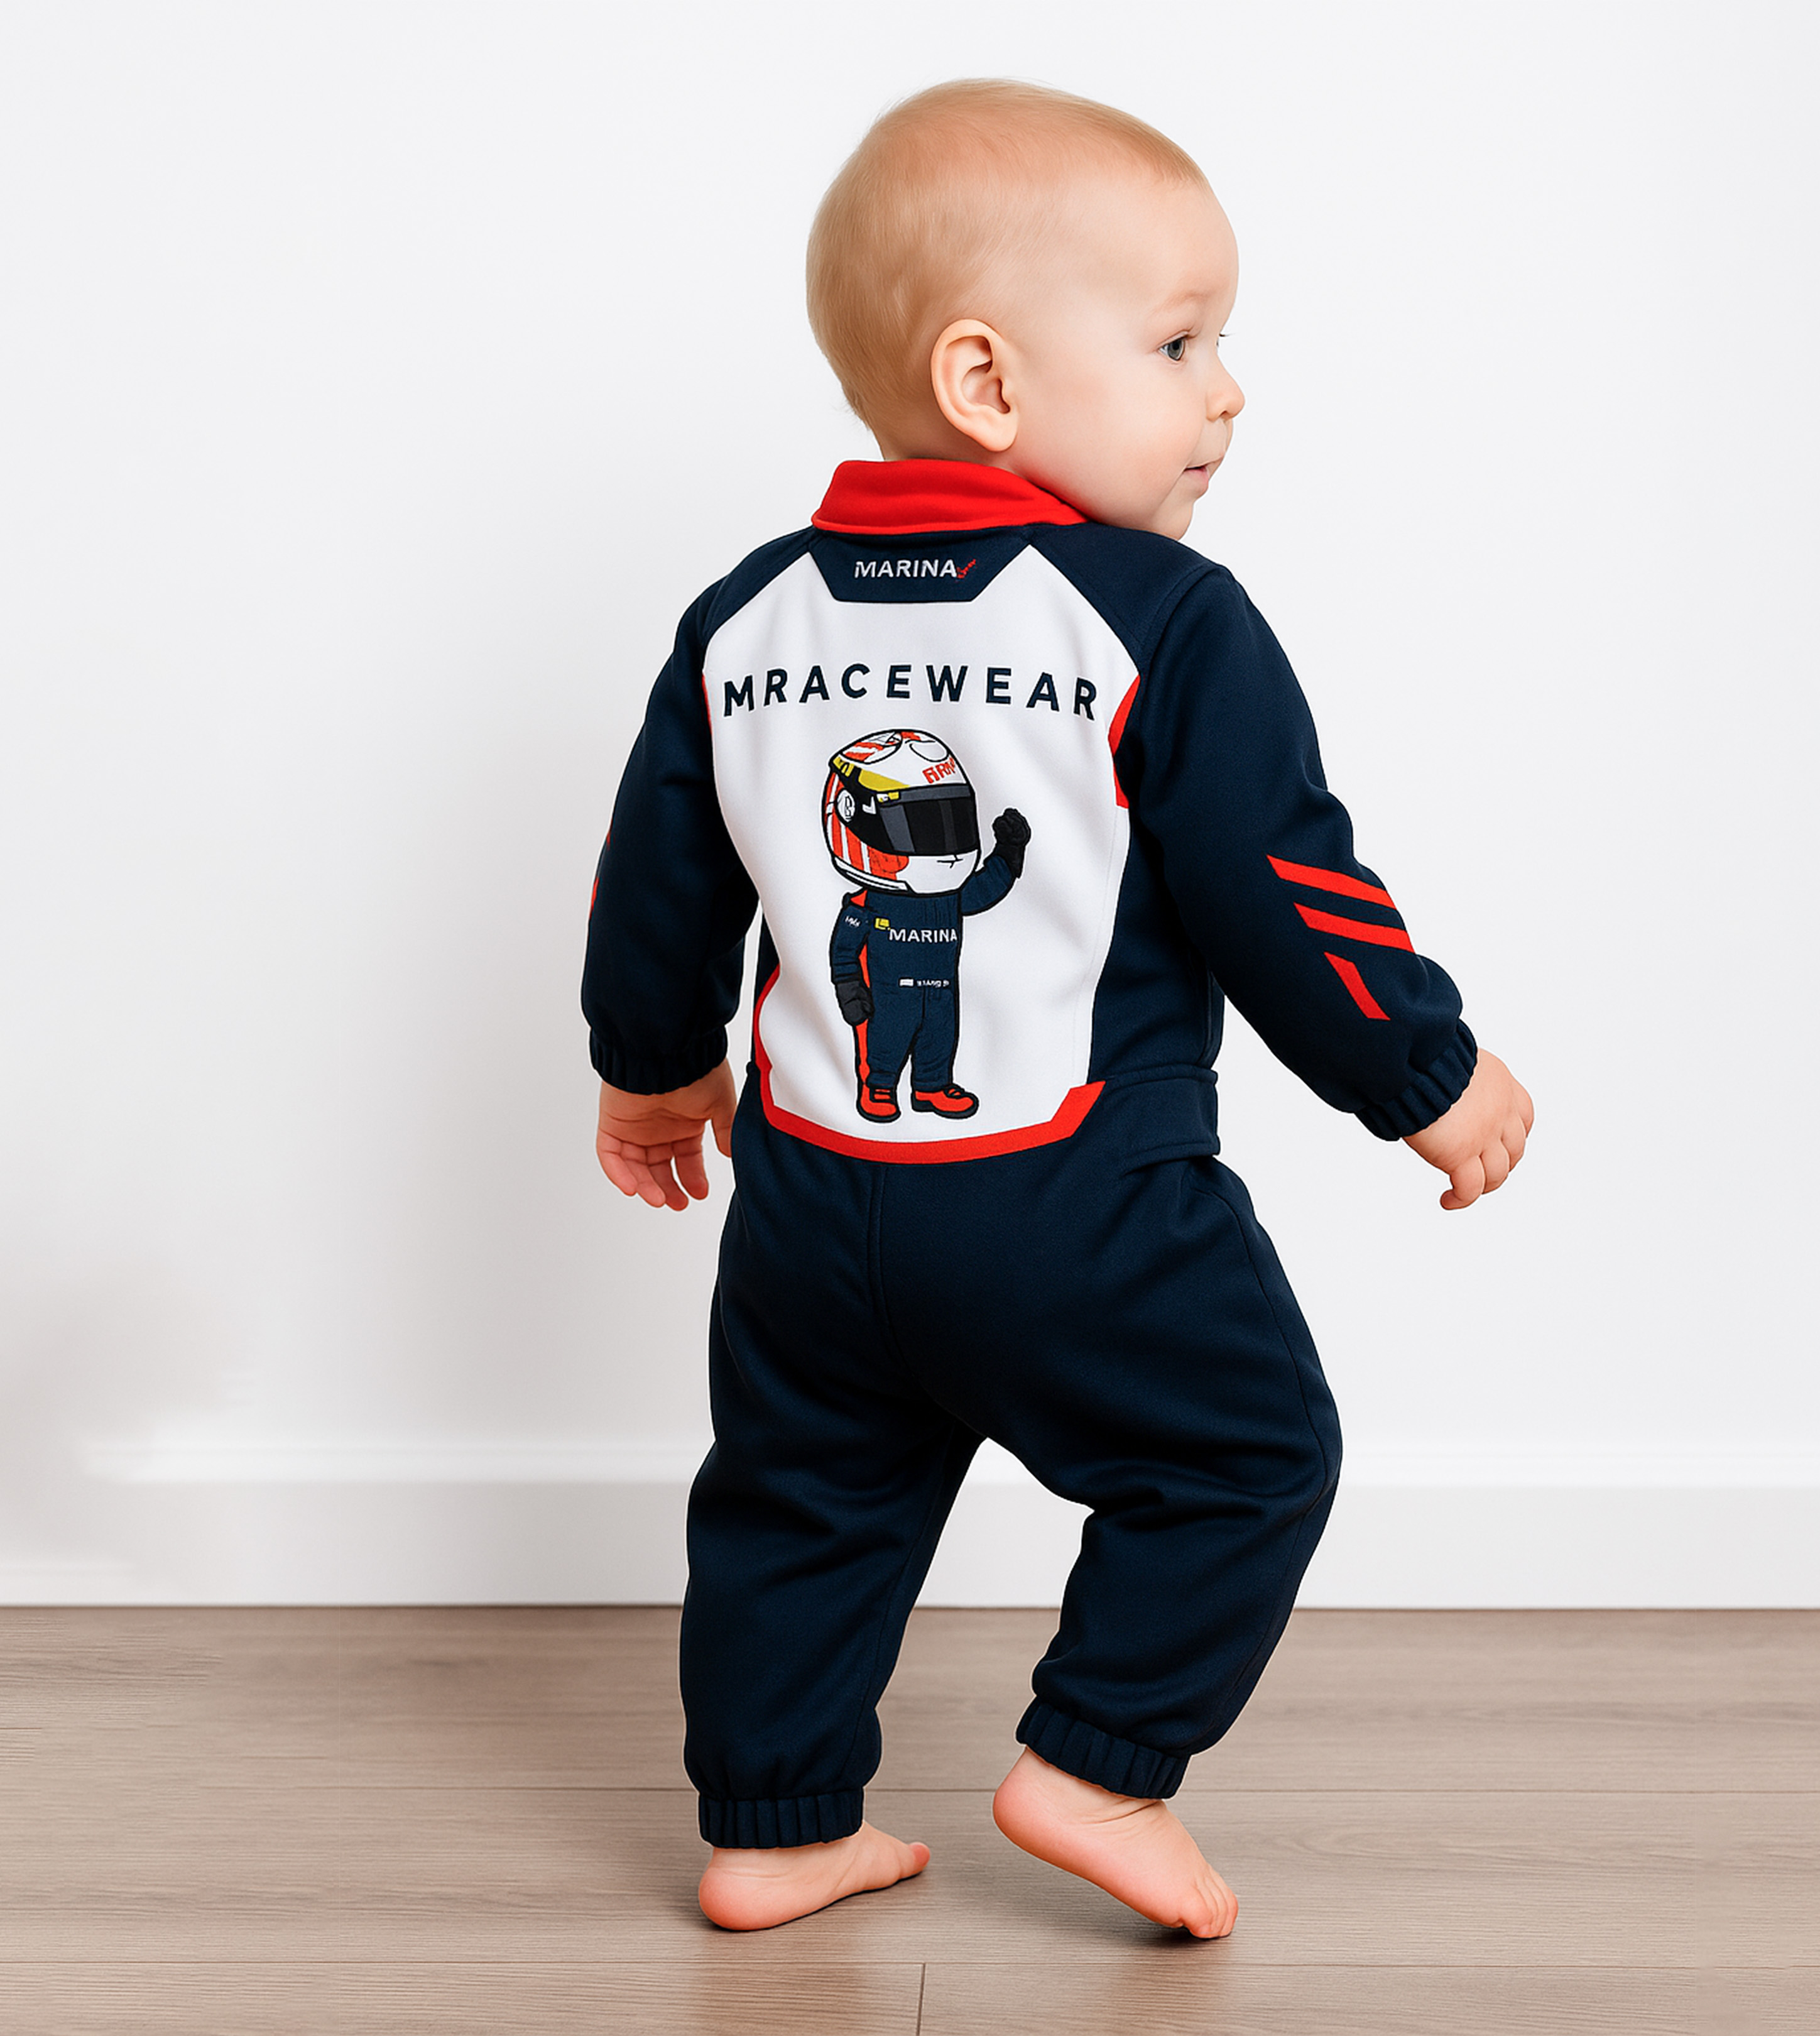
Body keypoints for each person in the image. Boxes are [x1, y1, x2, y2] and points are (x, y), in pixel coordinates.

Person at [582, 79, 1534, 1939]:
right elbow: (1287, 889)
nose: (1227, 392)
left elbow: (657, 883)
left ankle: (774, 1824)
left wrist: (652, 1074)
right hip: (1077, 1199)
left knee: (801, 1500)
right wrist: (1424, 1069)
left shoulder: (744, 622)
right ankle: (1099, 1761)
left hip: (810, 1196)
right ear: (987, 383)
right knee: (1248, 1453)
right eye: (1180, 342)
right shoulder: (1162, 616)